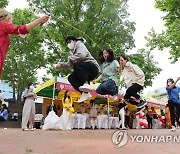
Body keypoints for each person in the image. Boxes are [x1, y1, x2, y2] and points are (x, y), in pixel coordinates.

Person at [0, 9, 49, 76]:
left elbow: (21, 33)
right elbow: (20, 30)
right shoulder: (2, 25)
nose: (11, 23)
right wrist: (39, 20)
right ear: (6, 18)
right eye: (11, 20)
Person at [56, 36, 99, 102]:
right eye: (67, 43)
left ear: (74, 41)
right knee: (71, 77)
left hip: (92, 68)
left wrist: (71, 59)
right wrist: (61, 65)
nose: (69, 44)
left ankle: (86, 83)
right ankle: (85, 93)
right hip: (85, 72)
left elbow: (82, 55)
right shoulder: (70, 52)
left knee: (76, 65)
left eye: (70, 42)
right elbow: (69, 65)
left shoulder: (80, 44)